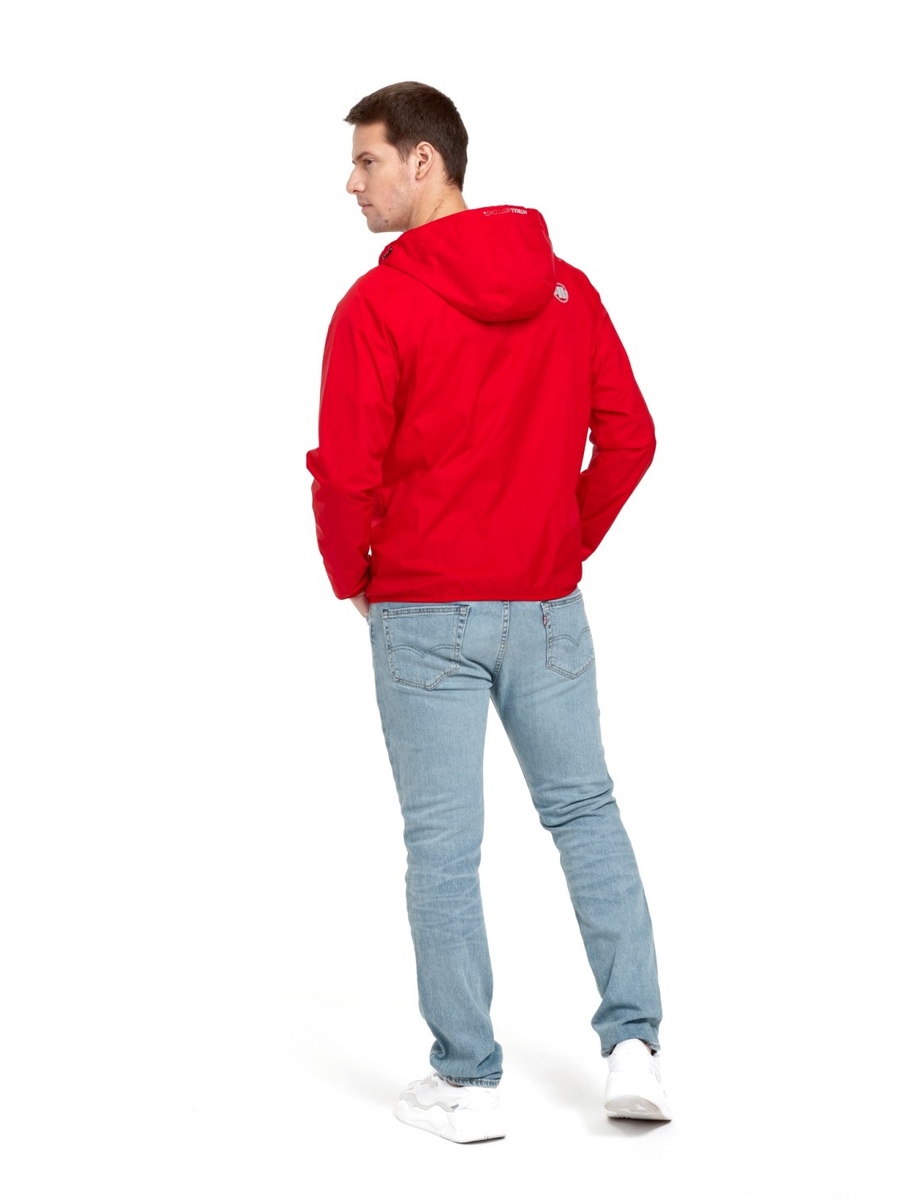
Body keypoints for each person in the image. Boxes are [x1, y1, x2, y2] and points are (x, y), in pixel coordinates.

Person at [306, 81, 669, 1143]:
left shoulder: (377, 306)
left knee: (443, 848)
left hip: (424, 609)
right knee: (586, 814)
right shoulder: (567, 289)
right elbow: (631, 436)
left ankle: (466, 1086)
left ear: (425, 161)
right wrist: (557, 542)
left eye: (368, 160)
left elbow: (346, 470)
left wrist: (350, 572)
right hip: (545, 606)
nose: (352, 183)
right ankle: (635, 1049)